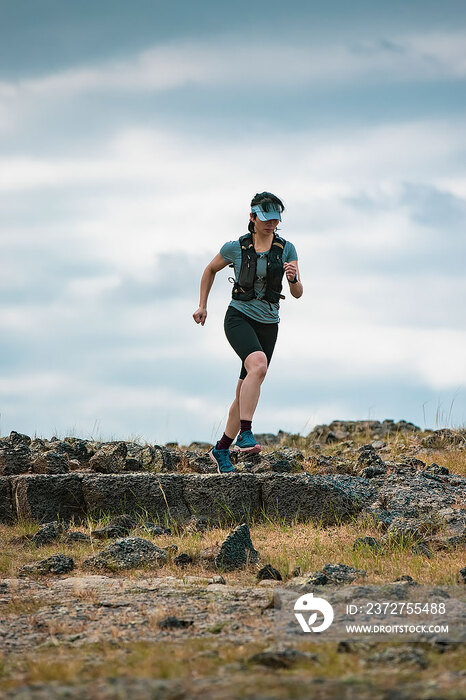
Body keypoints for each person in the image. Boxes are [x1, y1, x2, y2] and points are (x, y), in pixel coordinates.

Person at [193, 191, 303, 473]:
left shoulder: (287, 249)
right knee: (259, 365)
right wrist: (202, 305)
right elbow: (209, 270)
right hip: (239, 317)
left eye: (276, 219)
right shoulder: (235, 247)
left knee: (245, 388)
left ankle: (220, 449)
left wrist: (293, 279)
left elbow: (298, 293)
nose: (271, 224)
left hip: (269, 323)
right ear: (252, 217)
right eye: (266, 219)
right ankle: (246, 433)